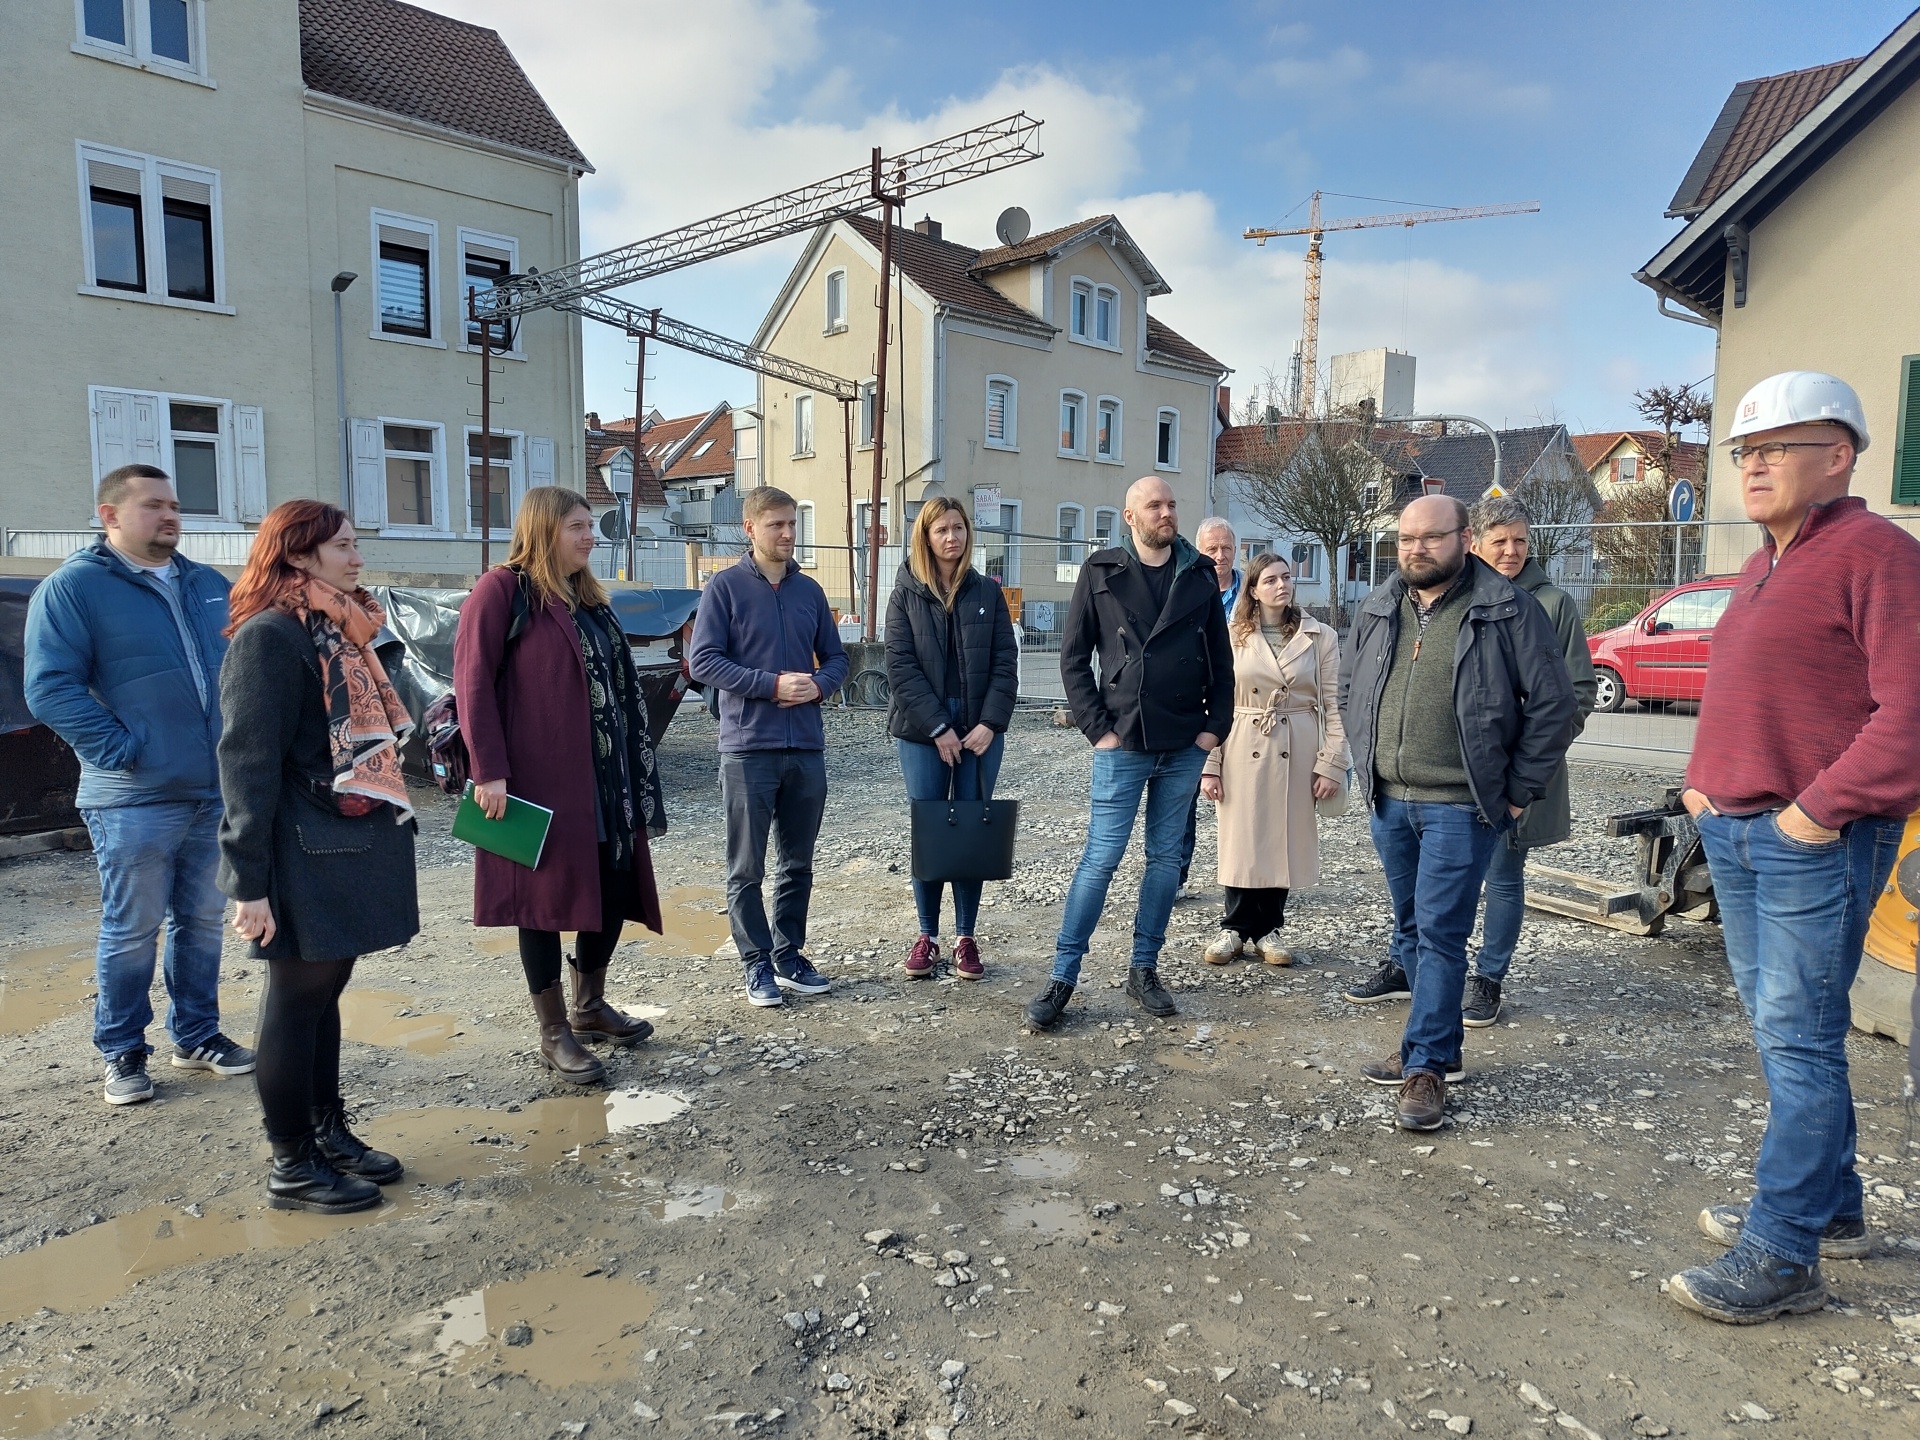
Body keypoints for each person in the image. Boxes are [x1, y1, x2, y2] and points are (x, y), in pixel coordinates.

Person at [1666, 372, 1920, 1325]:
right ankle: (1832, 1206)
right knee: (1788, 1032)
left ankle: (1784, 1252)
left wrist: (1814, 813)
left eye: (1778, 445)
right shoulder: (1761, 565)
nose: (1755, 462)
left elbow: (1911, 715)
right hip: (1737, 830)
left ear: (1840, 455)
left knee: (1800, 1037)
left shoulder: (1878, 554)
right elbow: (1748, 694)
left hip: (1813, 839)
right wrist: (1701, 785)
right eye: (1746, 450)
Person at [1338, 494, 1575, 1131]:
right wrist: (1366, 756)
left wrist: (1517, 790)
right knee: (1412, 927)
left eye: (1431, 538)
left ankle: (1426, 1069)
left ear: (1464, 538)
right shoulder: (1381, 602)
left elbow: (1556, 708)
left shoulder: (1506, 606)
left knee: (1441, 933)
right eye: (1406, 538)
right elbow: (1351, 684)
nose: (1416, 548)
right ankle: (1435, 1043)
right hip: (1389, 798)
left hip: (1460, 805)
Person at [24, 464, 253, 1107]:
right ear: (110, 514)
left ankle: (197, 1036)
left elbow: (240, 672)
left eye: (175, 505)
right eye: (153, 505)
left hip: (214, 789)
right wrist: (123, 751)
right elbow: (50, 688)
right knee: (133, 927)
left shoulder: (208, 585)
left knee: (203, 921)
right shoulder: (74, 589)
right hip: (133, 796)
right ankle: (122, 1052)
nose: (171, 516)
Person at [216, 500, 417, 1213]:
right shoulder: (271, 637)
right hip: (302, 850)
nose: (357, 557)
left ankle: (329, 1133)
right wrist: (248, 883)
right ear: (300, 556)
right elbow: (246, 764)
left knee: (323, 995)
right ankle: (292, 1165)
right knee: (296, 1002)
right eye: (342, 546)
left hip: (345, 840)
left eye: (357, 544)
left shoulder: (341, 630)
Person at [454, 487, 666, 1084]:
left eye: (590, 527)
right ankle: (554, 1032)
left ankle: (590, 1005)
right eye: (578, 527)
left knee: (614, 884)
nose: (589, 537)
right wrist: (488, 770)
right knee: (541, 904)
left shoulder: (587, 598)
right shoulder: (502, 591)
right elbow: (472, 684)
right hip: (537, 781)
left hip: (604, 778)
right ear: (545, 530)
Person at [1027, 476, 1234, 1029]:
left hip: (1184, 740)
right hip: (1123, 738)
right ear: (1130, 516)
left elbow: (1221, 660)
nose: (1166, 513)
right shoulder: (1101, 572)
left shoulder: (1198, 574)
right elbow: (1073, 660)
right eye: (1154, 506)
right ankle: (1063, 976)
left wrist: (1215, 728)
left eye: (1171, 505)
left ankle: (1145, 969)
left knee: (1166, 860)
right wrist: (1099, 730)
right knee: (1101, 858)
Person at [688, 486, 849, 1008]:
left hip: (805, 746)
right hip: (747, 749)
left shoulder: (810, 592)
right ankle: (755, 963)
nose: (786, 534)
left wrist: (820, 686)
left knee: (797, 863)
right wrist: (770, 684)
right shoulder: (725, 589)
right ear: (749, 529)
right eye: (775, 524)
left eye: (792, 524)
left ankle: (789, 954)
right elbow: (704, 662)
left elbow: (838, 659)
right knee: (747, 866)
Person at [1460, 495, 1597, 1026]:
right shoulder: (1454, 594)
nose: (1512, 551)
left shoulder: (1553, 604)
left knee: (1503, 873)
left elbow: (1578, 691)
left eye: (1520, 540)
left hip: (1515, 773)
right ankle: (1419, 965)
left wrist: (1532, 759)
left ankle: (1488, 977)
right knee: (1441, 873)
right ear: (1475, 541)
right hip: (1455, 771)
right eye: (1500, 541)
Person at [885, 497, 1018, 980]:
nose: (951, 537)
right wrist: (939, 727)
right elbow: (899, 665)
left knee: (970, 828)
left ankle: (965, 936)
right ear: (926, 535)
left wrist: (989, 724)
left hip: (981, 730)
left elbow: (1006, 662)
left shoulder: (986, 590)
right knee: (931, 828)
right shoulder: (906, 591)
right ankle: (927, 935)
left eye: (958, 528)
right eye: (941, 529)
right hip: (922, 732)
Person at [1198, 553, 1347, 967]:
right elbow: (1213, 700)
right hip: (1242, 739)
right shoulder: (1230, 635)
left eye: (1286, 577)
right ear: (1253, 589)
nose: (1281, 585)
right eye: (1270, 580)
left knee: (1283, 836)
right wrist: (1210, 763)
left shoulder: (1321, 636)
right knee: (1241, 836)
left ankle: (1268, 929)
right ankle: (1233, 928)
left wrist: (1332, 761)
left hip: (1297, 744)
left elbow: (1333, 703)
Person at [1178, 517, 1241, 896]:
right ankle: (1177, 877)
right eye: (1211, 549)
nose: (1219, 556)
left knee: (1241, 795)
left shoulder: (1253, 591)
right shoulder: (1184, 587)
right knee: (1184, 794)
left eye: (1226, 548)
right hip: (1195, 704)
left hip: (1244, 704)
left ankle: (1245, 882)